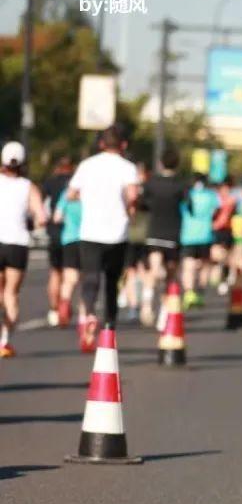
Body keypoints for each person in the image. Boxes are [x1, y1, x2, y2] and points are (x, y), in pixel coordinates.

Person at [67, 125, 140, 348]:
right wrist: (129, 209)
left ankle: (89, 312)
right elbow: (133, 195)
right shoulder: (128, 167)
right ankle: (109, 324)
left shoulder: (87, 165)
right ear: (123, 145)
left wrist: (86, 197)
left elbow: (71, 193)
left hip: (90, 231)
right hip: (117, 232)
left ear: (101, 144)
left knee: (90, 277)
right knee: (112, 281)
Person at [0, 141, 47, 356]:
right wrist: (31, 223)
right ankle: (4, 341)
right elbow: (41, 218)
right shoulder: (29, 186)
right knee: (11, 293)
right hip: (17, 244)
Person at [143, 148, 187, 324]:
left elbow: (143, 204)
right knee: (171, 275)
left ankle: (146, 305)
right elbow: (189, 205)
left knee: (153, 270)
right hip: (173, 233)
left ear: (160, 163)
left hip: (154, 231)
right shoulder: (180, 185)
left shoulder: (151, 183)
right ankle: (164, 313)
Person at [42, 154, 75, 327]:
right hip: (73, 235)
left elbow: (45, 209)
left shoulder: (49, 183)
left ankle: (55, 309)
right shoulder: (76, 183)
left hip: (54, 233)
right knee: (70, 275)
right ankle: (65, 303)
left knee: (55, 272)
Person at [180, 173, 221, 309]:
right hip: (205, 235)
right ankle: (200, 292)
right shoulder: (211, 195)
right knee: (204, 265)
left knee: (188, 265)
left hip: (188, 235)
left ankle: (189, 293)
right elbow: (217, 211)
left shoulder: (186, 195)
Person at [121, 161, 151, 322]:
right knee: (140, 271)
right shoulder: (149, 191)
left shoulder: (127, 192)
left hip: (133, 236)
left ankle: (137, 306)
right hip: (143, 235)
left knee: (134, 271)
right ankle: (142, 306)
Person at [53, 191, 83, 341]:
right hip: (88, 239)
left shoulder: (66, 194)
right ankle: (84, 317)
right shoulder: (92, 191)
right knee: (86, 279)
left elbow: (57, 217)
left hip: (69, 238)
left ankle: (64, 304)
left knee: (69, 278)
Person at [210, 175, 239, 295]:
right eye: (222, 189)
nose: (224, 191)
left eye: (227, 188)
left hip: (226, 231)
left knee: (226, 257)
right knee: (217, 255)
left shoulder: (231, 200)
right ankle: (220, 273)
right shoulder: (215, 199)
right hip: (216, 231)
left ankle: (225, 278)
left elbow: (226, 217)